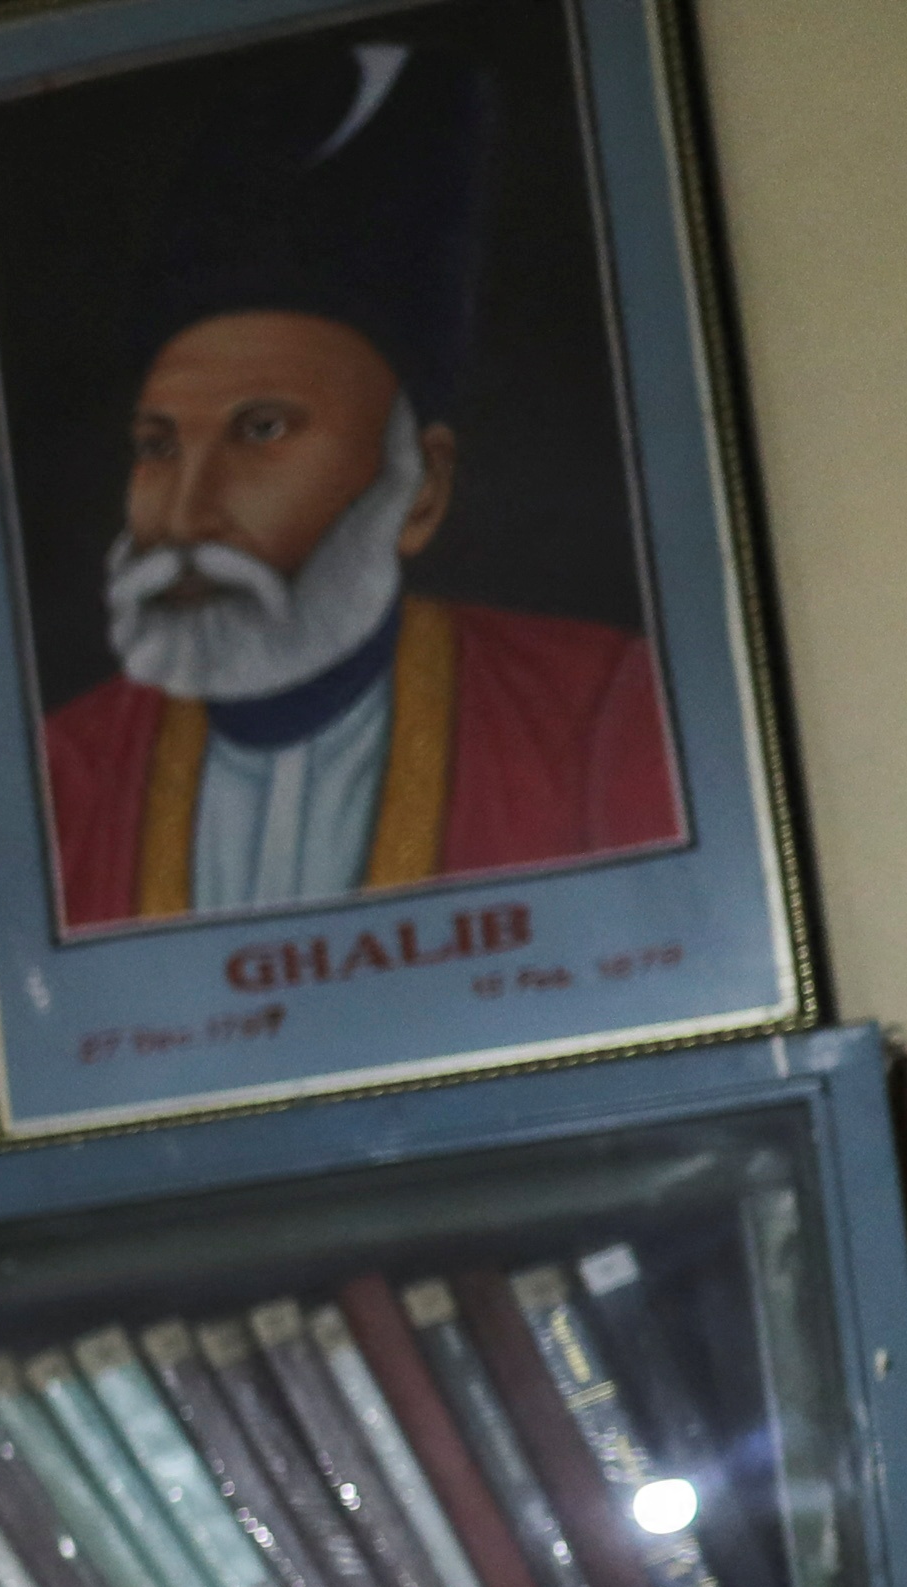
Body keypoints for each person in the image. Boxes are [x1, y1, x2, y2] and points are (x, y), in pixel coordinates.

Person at [36, 22, 676, 927]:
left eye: (261, 432)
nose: (183, 516)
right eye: (158, 446)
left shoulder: (610, 722)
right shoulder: (61, 781)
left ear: (422, 488)